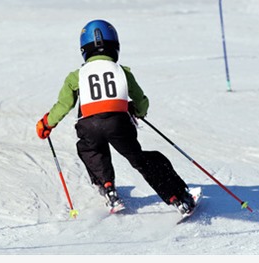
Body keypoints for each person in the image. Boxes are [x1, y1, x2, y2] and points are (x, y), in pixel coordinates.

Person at [36, 19, 196, 215]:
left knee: (90, 150)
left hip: (89, 124)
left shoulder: (77, 75)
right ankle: (178, 197)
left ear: (84, 50)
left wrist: (47, 123)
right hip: (118, 124)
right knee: (142, 161)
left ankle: (108, 188)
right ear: (115, 46)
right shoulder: (122, 72)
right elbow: (141, 101)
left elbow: (64, 105)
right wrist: (136, 110)